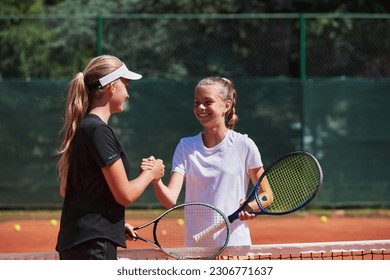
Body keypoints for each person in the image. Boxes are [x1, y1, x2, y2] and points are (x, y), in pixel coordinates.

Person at [55, 55, 165, 260]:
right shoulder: (98, 131)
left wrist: (111, 223)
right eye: (126, 84)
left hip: (79, 242)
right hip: (93, 246)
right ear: (112, 87)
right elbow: (125, 195)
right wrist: (151, 174)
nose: (127, 94)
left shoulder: (85, 128)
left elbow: (68, 190)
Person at [141, 77, 272, 246]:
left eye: (208, 102)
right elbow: (169, 200)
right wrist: (155, 180)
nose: (200, 108)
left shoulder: (244, 145)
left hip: (235, 248)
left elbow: (266, 194)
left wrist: (250, 207)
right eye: (196, 103)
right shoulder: (185, 146)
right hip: (195, 249)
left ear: (227, 105)